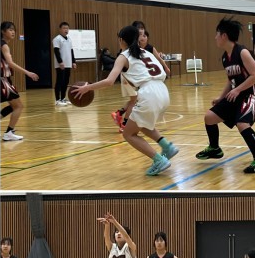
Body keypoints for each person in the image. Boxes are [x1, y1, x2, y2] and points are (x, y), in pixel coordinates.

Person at [74, 26, 178, 176]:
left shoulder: (123, 56)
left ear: (121, 40)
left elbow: (109, 81)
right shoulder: (145, 52)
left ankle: (158, 160)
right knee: (140, 124)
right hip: (163, 91)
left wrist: (87, 88)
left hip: (149, 93)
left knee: (128, 134)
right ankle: (167, 147)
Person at [195, 17, 255, 174]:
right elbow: (231, 80)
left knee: (242, 124)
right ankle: (214, 148)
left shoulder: (242, 52)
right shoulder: (225, 57)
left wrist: (237, 90)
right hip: (237, 94)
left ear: (224, 36)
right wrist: (221, 97)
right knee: (209, 117)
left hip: (252, 94)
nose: (215, 37)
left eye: (217, 34)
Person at [0, 21, 39, 141]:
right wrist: (28, 73)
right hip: (3, 80)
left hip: (4, 79)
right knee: (19, 106)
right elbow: (10, 63)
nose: (13, 32)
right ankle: (9, 132)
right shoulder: (4, 45)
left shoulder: (1, 44)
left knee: (13, 106)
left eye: (14, 30)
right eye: (10, 30)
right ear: (3, 31)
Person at [52, 22, 76, 106]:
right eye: (64, 28)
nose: (66, 30)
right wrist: (60, 62)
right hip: (61, 65)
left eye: (67, 28)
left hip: (68, 64)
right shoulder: (57, 39)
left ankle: (63, 98)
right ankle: (57, 100)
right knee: (59, 81)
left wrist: (73, 62)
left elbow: (71, 51)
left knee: (65, 82)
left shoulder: (69, 39)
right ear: (60, 29)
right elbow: (56, 51)